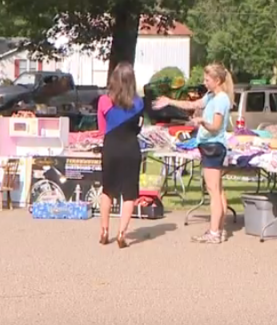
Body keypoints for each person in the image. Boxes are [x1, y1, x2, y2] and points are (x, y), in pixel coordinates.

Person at [153, 63, 234, 244]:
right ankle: (219, 230)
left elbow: (215, 126)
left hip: (213, 146)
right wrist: (170, 101)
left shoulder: (221, 99)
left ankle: (214, 232)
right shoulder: (211, 96)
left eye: (207, 80)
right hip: (209, 146)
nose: (204, 83)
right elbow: (193, 104)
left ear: (218, 80)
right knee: (218, 190)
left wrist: (201, 121)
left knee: (214, 191)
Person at [97, 62, 146, 248]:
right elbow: (138, 128)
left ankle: (104, 230)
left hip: (111, 147)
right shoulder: (139, 102)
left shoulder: (103, 101)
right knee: (129, 194)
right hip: (130, 148)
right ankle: (121, 233)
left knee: (107, 190)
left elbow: (102, 129)